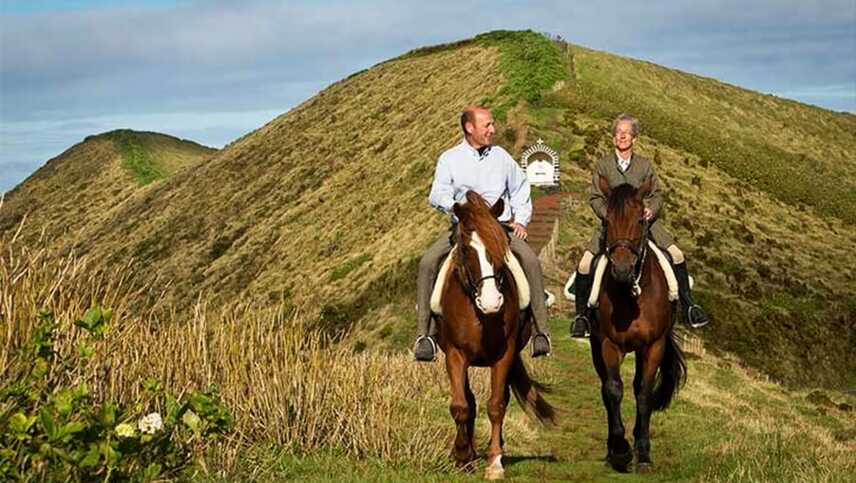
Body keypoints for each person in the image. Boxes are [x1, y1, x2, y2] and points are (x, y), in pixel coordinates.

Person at [414, 106, 552, 361]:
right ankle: (425, 336)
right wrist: (458, 209)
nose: (493, 129)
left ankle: (541, 332)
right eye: (487, 125)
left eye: (492, 124)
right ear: (470, 128)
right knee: (427, 263)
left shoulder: (501, 157)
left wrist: (521, 220)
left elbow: (521, 188)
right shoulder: (450, 159)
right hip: (464, 227)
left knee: (530, 261)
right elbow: (437, 193)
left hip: (499, 227)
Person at [570, 113, 710, 338]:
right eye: (618, 132)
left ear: (634, 138)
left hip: (644, 225)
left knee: (677, 255)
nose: (622, 136)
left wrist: (650, 210)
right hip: (612, 227)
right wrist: (609, 215)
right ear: (614, 137)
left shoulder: (644, 166)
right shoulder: (603, 166)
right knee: (585, 265)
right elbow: (596, 197)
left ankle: (689, 306)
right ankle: (582, 317)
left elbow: (657, 196)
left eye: (627, 133)